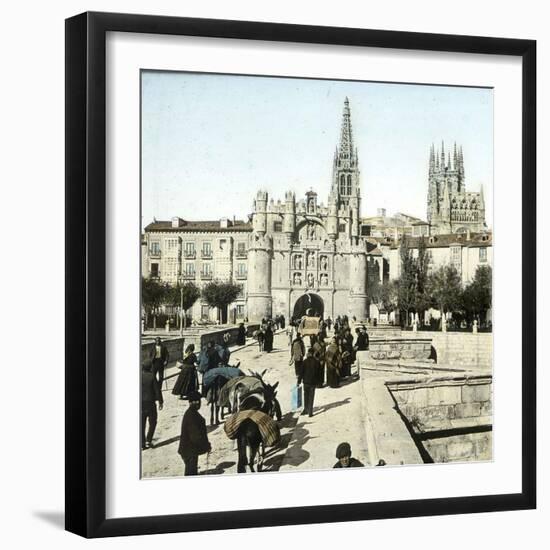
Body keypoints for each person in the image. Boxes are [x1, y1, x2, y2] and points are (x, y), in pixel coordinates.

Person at [178, 391, 211, 475]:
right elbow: (196, 437)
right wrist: (206, 445)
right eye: (195, 401)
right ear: (190, 402)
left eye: (199, 400)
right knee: (191, 474)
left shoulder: (192, 413)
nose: (198, 403)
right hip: (189, 451)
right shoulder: (191, 416)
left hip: (190, 450)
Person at [141, 361, 163, 449]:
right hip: (150, 403)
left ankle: (142, 443)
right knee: (153, 422)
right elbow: (157, 390)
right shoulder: (152, 376)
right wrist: (160, 401)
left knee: (141, 424)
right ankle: (148, 440)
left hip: (141, 403)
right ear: (150, 367)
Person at [301, 348, 321, 417]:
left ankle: (305, 409)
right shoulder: (316, 362)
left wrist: (298, 380)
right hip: (313, 382)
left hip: (306, 382)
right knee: (311, 397)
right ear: (313, 353)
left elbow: (301, 372)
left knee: (306, 396)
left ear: (308, 353)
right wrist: (319, 381)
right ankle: (310, 412)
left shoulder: (304, 361)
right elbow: (319, 373)